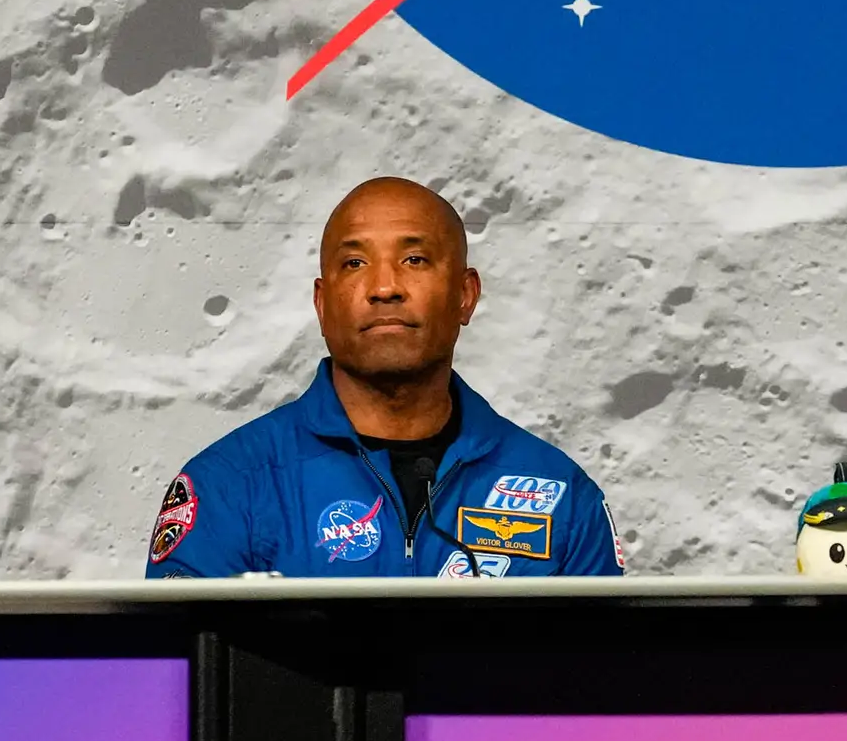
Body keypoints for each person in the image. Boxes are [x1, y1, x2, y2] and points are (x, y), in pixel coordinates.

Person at [149, 177, 619, 578]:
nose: (384, 288)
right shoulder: (230, 485)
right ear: (321, 303)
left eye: (414, 260)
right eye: (354, 264)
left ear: (465, 296)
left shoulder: (560, 493)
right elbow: (188, 677)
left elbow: (599, 680)